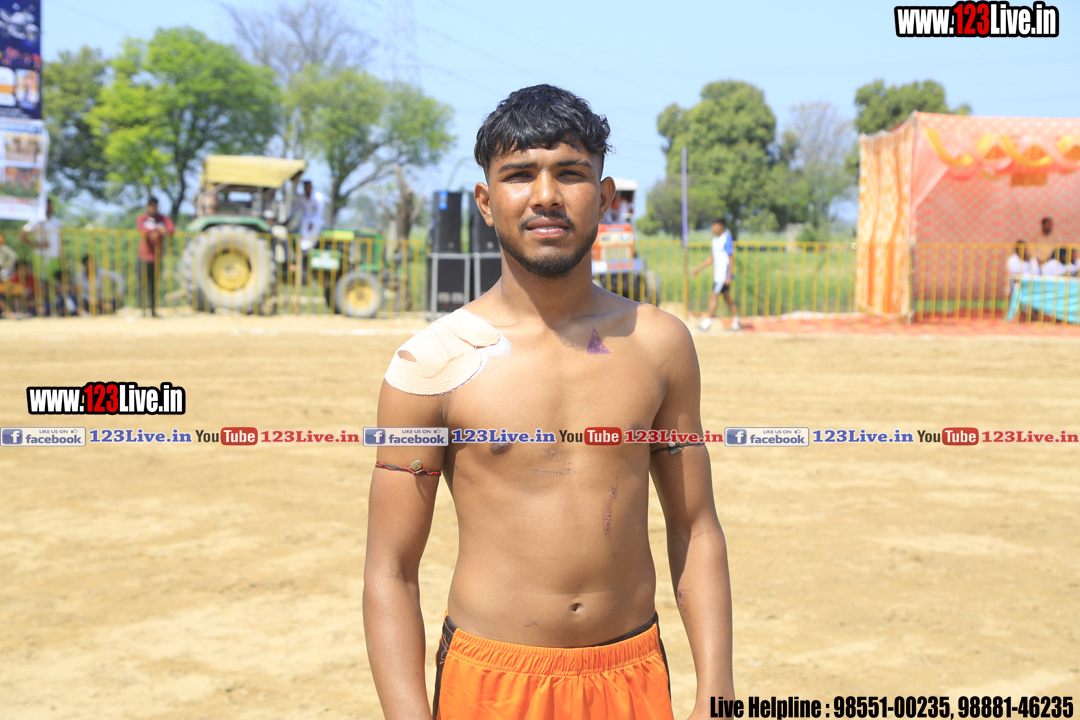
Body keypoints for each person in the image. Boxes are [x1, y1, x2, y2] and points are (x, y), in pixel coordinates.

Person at [364, 85, 733, 720]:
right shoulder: (432, 363)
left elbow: (695, 526)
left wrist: (717, 696)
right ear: (486, 201)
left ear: (605, 197)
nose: (545, 196)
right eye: (518, 175)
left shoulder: (659, 344)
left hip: (630, 678)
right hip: (490, 683)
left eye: (570, 173)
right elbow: (389, 570)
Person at [692, 219, 740, 331]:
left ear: (721, 226)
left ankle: (707, 323)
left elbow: (731, 258)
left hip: (723, 276)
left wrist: (728, 276)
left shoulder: (726, 239)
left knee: (713, 296)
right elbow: (711, 258)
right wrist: (698, 269)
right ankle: (736, 321)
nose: (712, 228)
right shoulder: (715, 240)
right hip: (718, 275)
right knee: (727, 298)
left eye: (715, 225)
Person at [19, 197, 61, 315]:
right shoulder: (37, 220)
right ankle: (41, 308)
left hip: (55, 256)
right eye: (47, 205)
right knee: (42, 282)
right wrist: (37, 246)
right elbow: (22, 235)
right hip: (42, 256)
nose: (50, 208)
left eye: (51, 205)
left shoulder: (55, 220)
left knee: (54, 283)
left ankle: (54, 308)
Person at [136, 197, 174, 318]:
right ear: (147, 206)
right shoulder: (142, 218)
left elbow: (171, 229)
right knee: (142, 285)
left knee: (154, 285)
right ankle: (142, 311)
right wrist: (158, 229)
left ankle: (153, 311)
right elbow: (142, 229)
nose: (152, 208)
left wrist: (161, 231)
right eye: (150, 205)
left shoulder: (163, 219)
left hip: (157, 258)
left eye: (155, 206)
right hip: (143, 257)